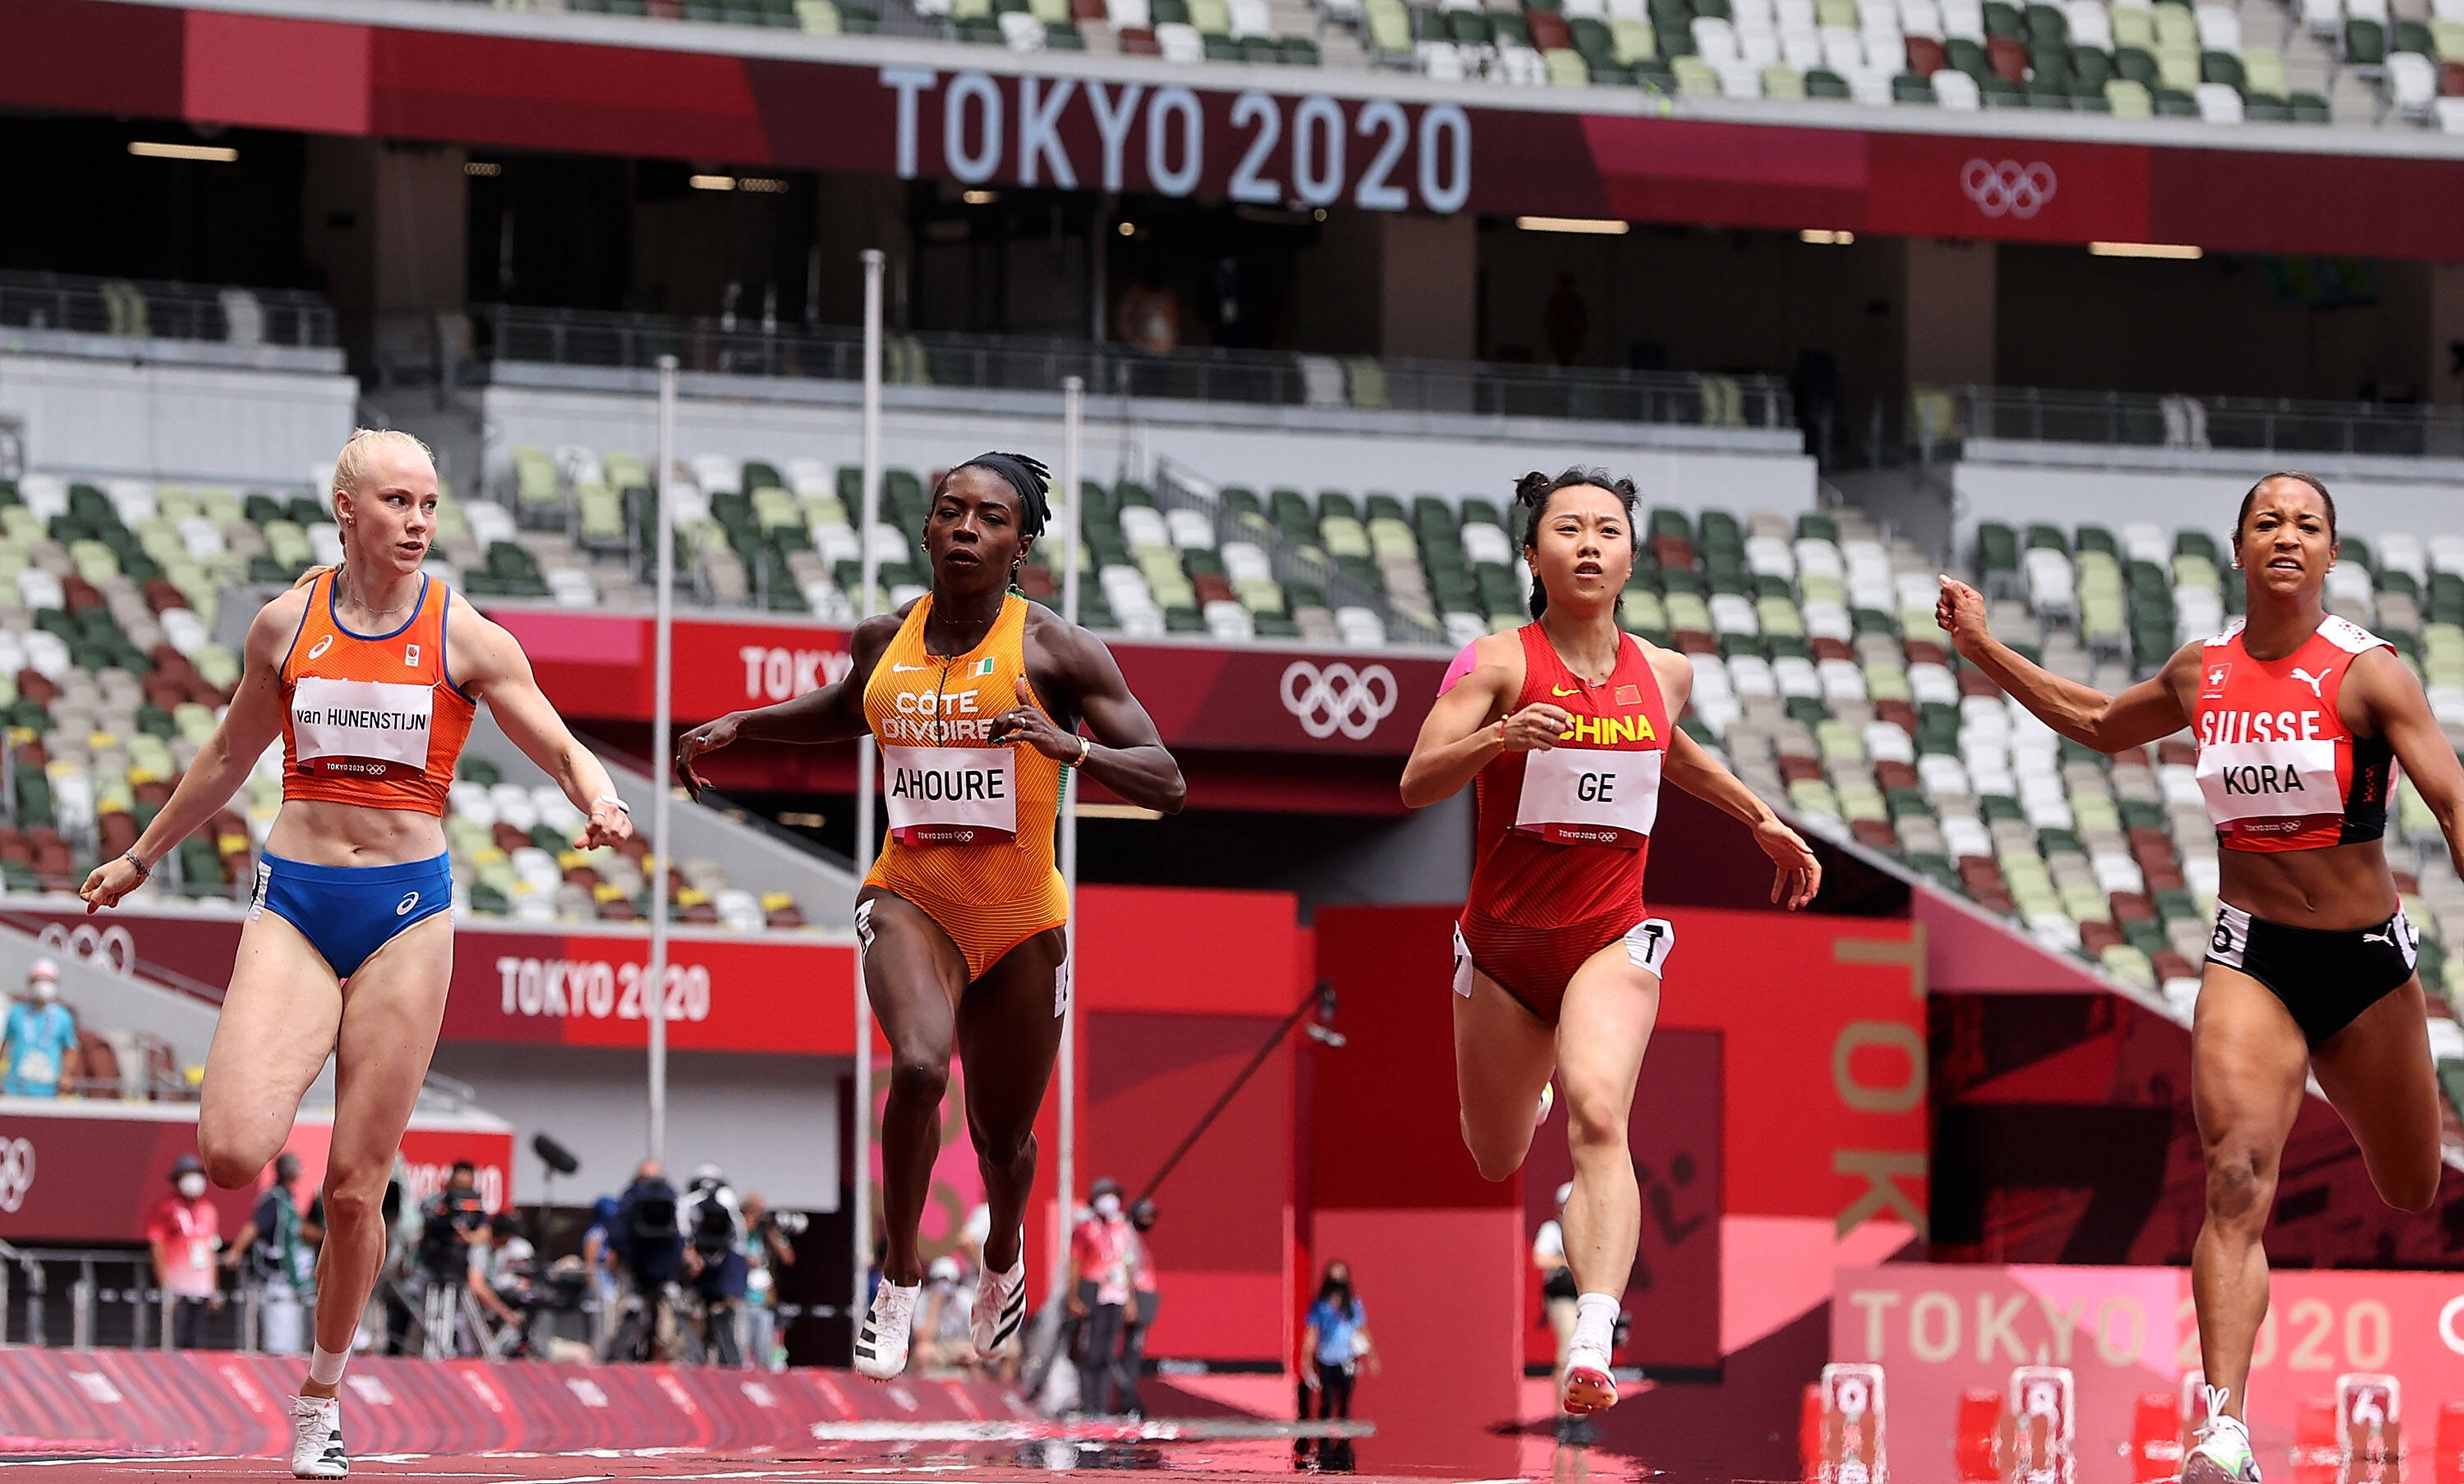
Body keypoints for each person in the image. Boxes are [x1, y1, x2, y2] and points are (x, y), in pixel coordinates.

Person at [76, 428, 633, 1479]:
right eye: (397, 502)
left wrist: (597, 797)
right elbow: (231, 752)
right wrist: (144, 855)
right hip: (296, 898)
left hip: (407, 913)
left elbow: (556, 740)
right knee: (236, 1150)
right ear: (348, 509)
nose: (419, 522)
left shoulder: (463, 633)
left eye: (429, 504)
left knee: (352, 1190)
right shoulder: (287, 624)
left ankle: (322, 1393)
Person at [1935, 471, 2457, 1484]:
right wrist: (1985, 649)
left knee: (2412, 1186)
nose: (2288, 537)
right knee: (2233, 1178)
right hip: (2252, 956)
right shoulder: (2200, 671)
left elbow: (2449, 792)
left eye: (2308, 525)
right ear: (2239, 549)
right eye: (2268, 522)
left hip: (2363, 968)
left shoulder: (2370, 675)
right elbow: (2095, 719)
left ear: (2331, 555)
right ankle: (2222, 1427)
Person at [678, 453, 1185, 1380]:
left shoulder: (1058, 651)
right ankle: (900, 1273)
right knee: (917, 1064)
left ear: (1019, 544)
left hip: (1025, 919)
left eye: (989, 518)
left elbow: (1168, 780)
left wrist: (1067, 745)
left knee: (1005, 1142)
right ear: (924, 531)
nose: (965, 528)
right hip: (910, 893)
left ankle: (1002, 1257)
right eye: (950, 511)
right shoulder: (884, 638)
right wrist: (742, 724)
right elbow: (847, 707)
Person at [1399, 469, 1820, 1419]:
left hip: (1608, 935)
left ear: (1631, 555)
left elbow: (1667, 747)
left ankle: (1594, 1333)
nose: (1589, 544)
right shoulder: (1495, 662)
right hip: (1502, 951)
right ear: (1533, 554)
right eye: (1568, 529)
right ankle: (1531, 1078)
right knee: (1497, 1156)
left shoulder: (1664, 670)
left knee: (1600, 1113)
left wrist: (1759, 816)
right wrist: (1501, 739)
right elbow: (1418, 780)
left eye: (1608, 530)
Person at [228, 1151, 321, 1357]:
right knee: (281, 1344)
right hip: (276, 1282)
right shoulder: (273, 1200)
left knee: (295, 1343)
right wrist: (235, 1251)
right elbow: (253, 1227)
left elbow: (301, 1229)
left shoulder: (289, 1200)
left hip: (293, 1281)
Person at [1297, 1260, 1376, 1468]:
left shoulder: (1353, 1304)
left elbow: (1361, 1329)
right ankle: (1324, 1446)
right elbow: (1312, 1333)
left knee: (1345, 1402)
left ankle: (1343, 1445)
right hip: (1326, 1359)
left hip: (1346, 1359)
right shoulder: (1320, 1305)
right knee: (1327, 1401)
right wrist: (1305, 1358)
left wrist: (1372, 1355)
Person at [1069, 1178, 1136, 1415]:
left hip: (1115, 1295)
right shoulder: (1085, 1227)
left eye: (1113, 1194)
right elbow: (1074, 1263)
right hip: (1092, 1292)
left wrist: (1131, 1298)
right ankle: (1088, 1405)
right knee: (1091, 1352)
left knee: (1108, 1353)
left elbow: (1126, 1262)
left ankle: (1102, 1406)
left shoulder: (1122, 1228)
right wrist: (1073, 1297)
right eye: (1104, 1195)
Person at [148, 1155, 223, 1348]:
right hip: (177, 1286)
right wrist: (164, 1285)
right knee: (174, 1339)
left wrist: (214, 1288)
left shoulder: (208, 1210)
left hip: (201, 1286)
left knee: (197, 1341)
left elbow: (211, 1250)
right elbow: (157, 1246)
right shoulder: (165, 1208)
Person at [681, 1163, 747, 1366]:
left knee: (718, 1321)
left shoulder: (690, 1203)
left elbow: (736, 1238)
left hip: (716, 1271)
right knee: (698, 1319)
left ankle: (719, 1362)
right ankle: (709, 1360)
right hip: (708, 1274)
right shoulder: (724, 1202)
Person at [1533, 1181, 1582, 1433]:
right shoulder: (1553, 1229)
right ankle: (1564, 1415)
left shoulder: (1592, 1229)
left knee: (1587, 1356)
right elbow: (1540, 1258)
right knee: (1567, 1352)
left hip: (1586, 1297)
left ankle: (1580, 1415)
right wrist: (1569, 1261)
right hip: (1563, 1297)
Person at [2, 958, 80, 1097]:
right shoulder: (16, 1012)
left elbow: (71, 1048)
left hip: (46, 1090)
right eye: (38, 980)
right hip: (15, 1088)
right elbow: (6, 1044)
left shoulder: (63, 1016)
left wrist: (66, 1074)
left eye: (48, 980)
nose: (43, 985)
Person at [739, 1192, 798, 1371]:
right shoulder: (739, 1231)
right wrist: (749, 1222)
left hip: (764, 1302)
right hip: (742, 1301)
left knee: (764, 1354)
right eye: (755, 1211)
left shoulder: (767, 1234)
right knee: (741, 1354)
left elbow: (788, 1257)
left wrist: (771, 1231)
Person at [1119, 1197, 1160, 1417]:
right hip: (1133, 1298)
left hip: (1143, 1298)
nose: (1148, 1220)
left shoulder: (1138, 1240)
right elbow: (1127, 1268)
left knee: (1134, 1352)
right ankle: (1127, 1398)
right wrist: (1131, 1299)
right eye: (1144, 1215)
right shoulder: (1128, 1236)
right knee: (1129, 1352)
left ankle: (1128, 1395)